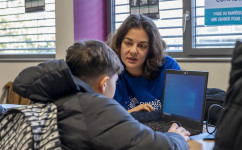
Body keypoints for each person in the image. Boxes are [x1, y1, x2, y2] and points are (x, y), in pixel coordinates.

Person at [12, 40, 190, 149]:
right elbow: (157, 147)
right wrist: (176, 136)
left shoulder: (56, 95)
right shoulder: (94, 108)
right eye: (115, 81)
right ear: (104, 84)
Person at [107, 14, 181, 113]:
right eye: (128, 43)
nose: (133, 51)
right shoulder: (110, 69)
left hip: (163, 126)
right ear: (119, 43)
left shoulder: (169, 67)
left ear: (151, 49)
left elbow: (180, 111)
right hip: (127, 126)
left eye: (142, 46)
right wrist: (133, 113)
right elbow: (104, 117)